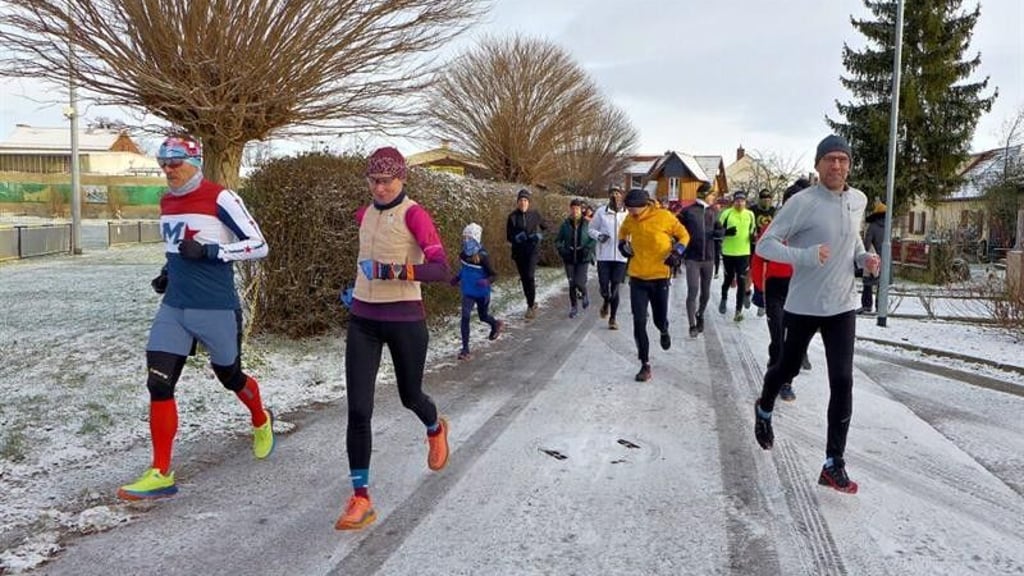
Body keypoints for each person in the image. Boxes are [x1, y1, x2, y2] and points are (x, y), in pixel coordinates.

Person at [117, 135, 273, 500]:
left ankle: (260, 418)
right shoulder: (167, 202)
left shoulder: (221, 197)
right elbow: (176, 249)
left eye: (175, 163)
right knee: (158, 384)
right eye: (163, 164)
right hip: (175, 308)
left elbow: (259, 245)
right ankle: (161, 473)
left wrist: (210, 252)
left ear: (195, 163)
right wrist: (166, 273)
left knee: (230, 376)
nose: (168, 170)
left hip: (215, 308)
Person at [753, 135, 881, 495]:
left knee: (842, 380)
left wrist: (864, 259)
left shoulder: (858, 200)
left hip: (842, 306)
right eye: (830, 159)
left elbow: (852, 241)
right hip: (804, 305)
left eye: (842, 159)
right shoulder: (802, 203)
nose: (836, 165)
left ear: (849, 165)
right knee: (787, 368)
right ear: (818, 164)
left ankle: (833, 463)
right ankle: (764, 407)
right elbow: (765, 245)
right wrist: (805, 256)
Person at [336, 147, 452, 530]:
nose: (380, 188)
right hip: (363, 321)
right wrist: (354, 287)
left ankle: (435, 427)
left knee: (410, 396)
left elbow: (440, 269)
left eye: (386, 181)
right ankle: (361, 498)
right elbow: (365, 257)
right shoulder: (364, 215)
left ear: (402, 178)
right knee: (359, 410)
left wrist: (391, 271)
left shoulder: (414, 214)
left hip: (405, 320)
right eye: (373, 181)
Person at [618, 188, 690, 381]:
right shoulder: (630, 219)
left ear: (643, 206)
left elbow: (684, 235)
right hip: (637, 277)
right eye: (628, 208)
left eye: (632, 208)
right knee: (639, 320)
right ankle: (645, 364)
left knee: (659, 319)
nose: (630, 212)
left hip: (659, 277)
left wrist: (677, 252)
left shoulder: (664, 216)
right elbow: (622, 233)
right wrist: (622, 245)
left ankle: (664, 330)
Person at [750, 178, 810, 401]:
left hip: (798, 288)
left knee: (792, 340)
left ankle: (786, 382)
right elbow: (758, 259)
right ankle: (775, 372)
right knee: (777, 337)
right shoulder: (772, 228)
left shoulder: (808, 231)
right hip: (774, 287)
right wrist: (759, 287)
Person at [451, 223, 503, 360]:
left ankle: (495, 324)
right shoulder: (463, 255)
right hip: (468, 292)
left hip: (482, 293)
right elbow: (464, 270)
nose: (466, 240)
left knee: (483, 316)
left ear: (476, 239)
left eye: (469, 238)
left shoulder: (483, 256)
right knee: (465, 317)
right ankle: (465, 349)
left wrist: (486, 281)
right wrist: (457, 278)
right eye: (464, 237)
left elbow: (494, 275)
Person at [677, 182, 722, 337]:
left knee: (706, 293)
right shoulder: (687, 211)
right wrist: (679, 249)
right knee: (693, 290)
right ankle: (692, 325)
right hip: (693, 258)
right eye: (712, 194)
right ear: (703, 195)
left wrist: (722, 232)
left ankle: (700, 314)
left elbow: (718, 229)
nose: (713, 197)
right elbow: (677, 230)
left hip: (709, 258)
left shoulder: (713, 211)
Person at [588, 186, 629, 329]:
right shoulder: (601, 212)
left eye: (618, 193)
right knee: (605, 287)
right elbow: (590, 229)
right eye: (612, 193)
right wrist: (599, 236)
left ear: (622, 196)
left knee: (615, 287)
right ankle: (606, 301)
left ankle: (613, 318)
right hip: (604, 256)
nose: (615, 196)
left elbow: (633, 232)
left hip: (621, 257)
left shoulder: (627, 214)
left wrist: (629, 243)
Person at [506, 189, 547, 319]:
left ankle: (530, 306)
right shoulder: (512, 217)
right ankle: (531, 301)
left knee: (530, 276)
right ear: (517, 202)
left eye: (525, 200)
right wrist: (516, 238)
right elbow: (508, 236)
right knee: (524, 279)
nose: (523, 203)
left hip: (532, 250)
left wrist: (539, 235)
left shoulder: (535, 215)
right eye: (521, 200)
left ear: (529, 202)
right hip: (519, 252)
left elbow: (546, 227)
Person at [718, 191, 756, 321]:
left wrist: (753, 238)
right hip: (728, 252)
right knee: (728, 279)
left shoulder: (750, 214)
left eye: (742, 201)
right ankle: (724, 298)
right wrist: (726, 232)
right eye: (737, 200)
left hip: (744, 253)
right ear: (734, 202)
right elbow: (717, 230)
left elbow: (752, 231)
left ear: (745, 202)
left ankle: (738, 311)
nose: (740, 203)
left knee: (741, 281)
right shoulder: (726, 213)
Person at [555, 198, 597, 318]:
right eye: (573, 208)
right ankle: (574, 307)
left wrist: (588, 248)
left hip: (583, 257)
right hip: (569, 257)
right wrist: (562, 250)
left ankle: (584, 293)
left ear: (581, 210)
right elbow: (558, 240)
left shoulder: (587, 223)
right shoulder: (565, 224)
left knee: (579, 282)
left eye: (577, 209)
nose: (575, 211)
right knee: (572, 283)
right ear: (570, 209)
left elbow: (594, 238)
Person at [750, 189, 778, 317]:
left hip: (769, 246)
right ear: (760, 199)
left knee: (767, 273)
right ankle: (749, 293)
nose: (766, 200)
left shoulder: (774, 211)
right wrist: (751, 235)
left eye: (768, 198)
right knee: (754, 272)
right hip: (753, 246)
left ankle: (762, 302)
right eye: (764, 198)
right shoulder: (753, 210)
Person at [860, 200, 886, 314]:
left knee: (868, 283)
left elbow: (867, 244)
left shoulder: (872, 227)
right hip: (886, 260)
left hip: (873, 260)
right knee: (882, 285)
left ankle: (867, 305)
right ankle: (880, 307)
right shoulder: (889, 227)